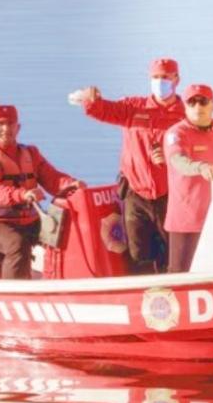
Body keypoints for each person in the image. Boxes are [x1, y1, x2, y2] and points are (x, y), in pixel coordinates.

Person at [70, 58, 185, 273]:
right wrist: (91, 100)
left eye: (165, 77)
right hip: (136, 193)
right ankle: (142, 301)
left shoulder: (186, 114)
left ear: (176, 79)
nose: (160, 82)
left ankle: (174, 299)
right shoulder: (134, 107)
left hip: (170, 194)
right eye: (155, 77)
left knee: (172, 254)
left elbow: (196, 146)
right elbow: (104, 110)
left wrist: (170, 159)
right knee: (138, 254)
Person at [0, 105, 85, 279]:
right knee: (16, 243)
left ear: (18, 128)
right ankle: (11, 295)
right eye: (0, 124)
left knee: (65, 231)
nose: (6, 129)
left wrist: (72, 185)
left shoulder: (31, 153)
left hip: (28, 220)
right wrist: (20, 194)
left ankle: (65, 280)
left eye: (10, 124)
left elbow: (53, 178)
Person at [163, 84, 213, 273]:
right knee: (180, 272)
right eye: (191, 102)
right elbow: (178, 161)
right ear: (185, 106)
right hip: (187, 218)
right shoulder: (176, 133)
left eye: (202, 101)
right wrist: (201, 167)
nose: (197, 106)